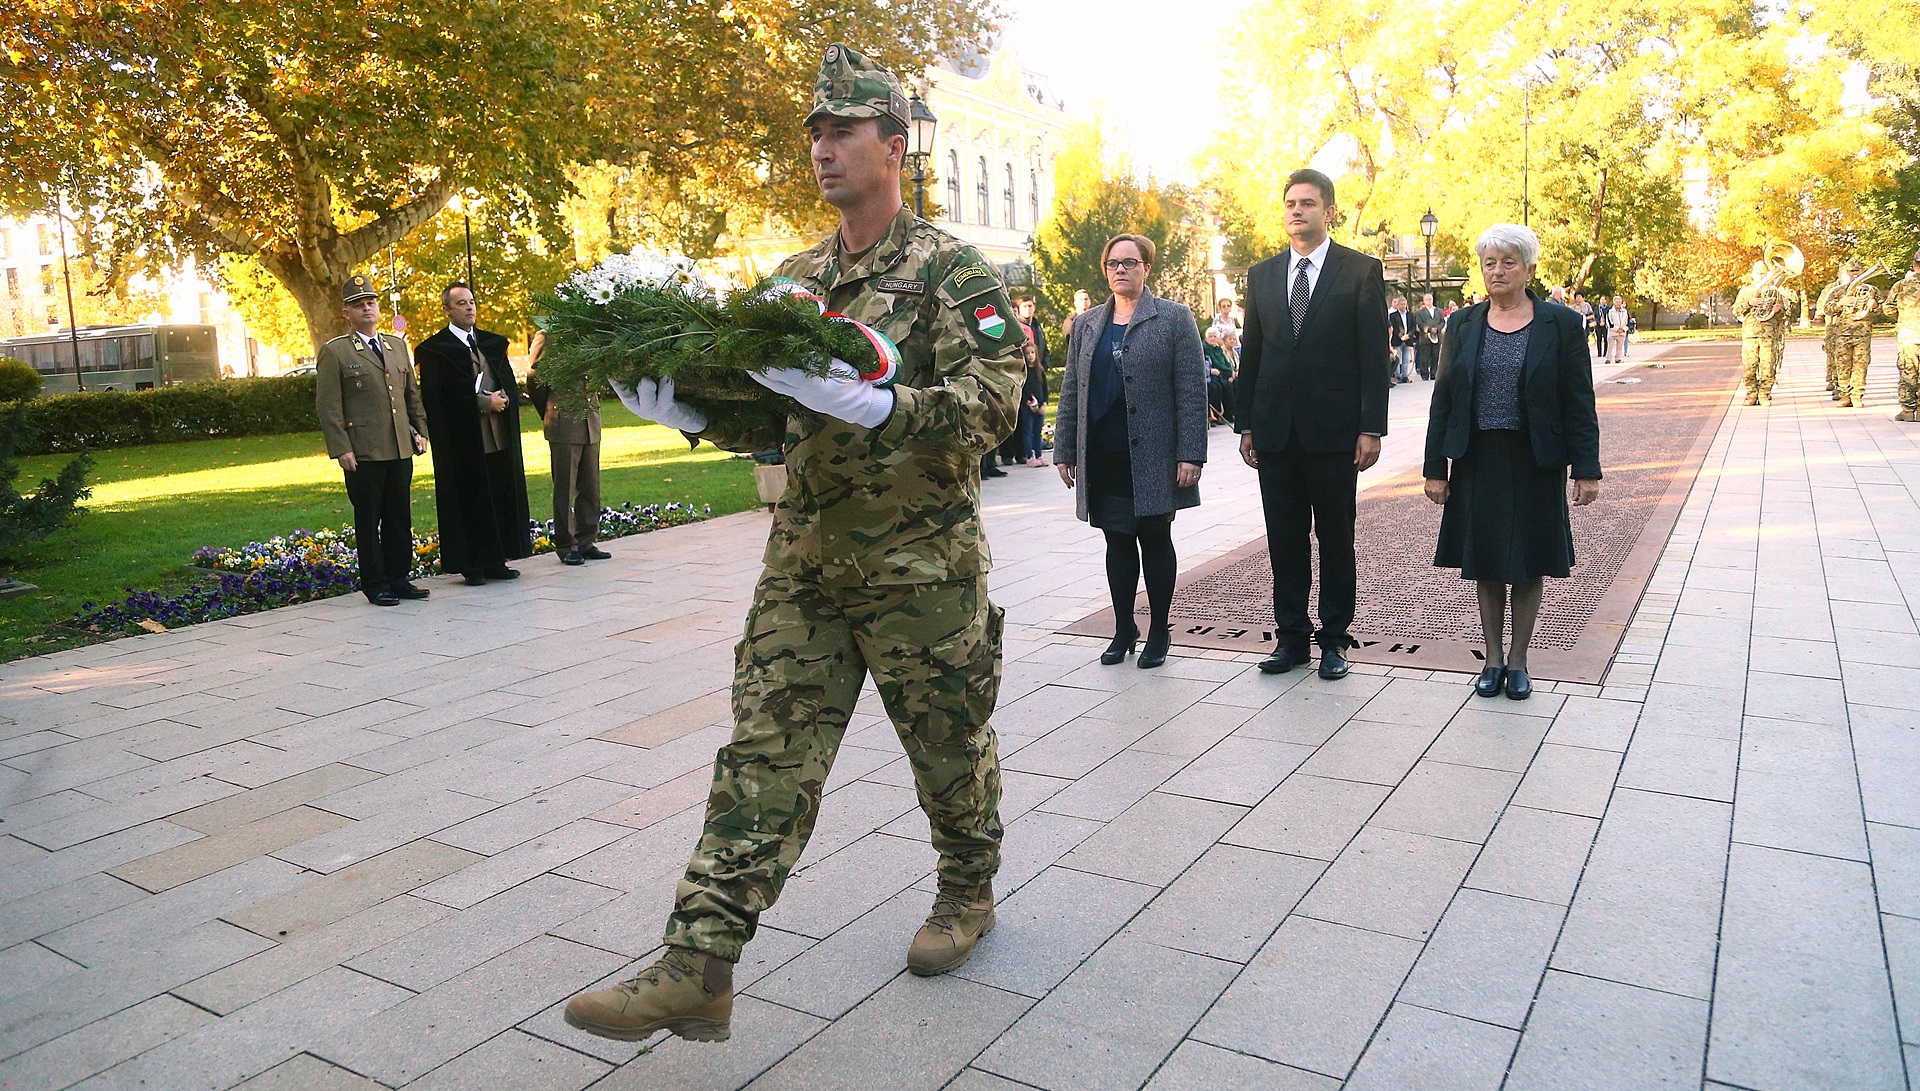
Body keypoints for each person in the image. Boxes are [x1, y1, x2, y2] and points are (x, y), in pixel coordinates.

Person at [563, 42, 1023, 1046]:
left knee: (949, 755)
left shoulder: (953, 271)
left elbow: (994, 405)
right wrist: (685, 405)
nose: (821, 147)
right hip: (807, 567)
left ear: (894, 146)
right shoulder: (794, 279)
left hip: (923, 572)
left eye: (842, 129)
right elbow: (768, 416)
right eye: (814, 130)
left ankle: (966, 888)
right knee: (765, 757)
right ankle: (701, 960)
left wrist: (879, 402)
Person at [1423, 224, 1601, 701]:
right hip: (1477, 457)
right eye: (1489, 262)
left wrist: (1587, 468)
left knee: (1527, 562)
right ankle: (1493, 658)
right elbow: (1444, 398)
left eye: (1508, 262)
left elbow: (1578, 400)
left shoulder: (1560, 324)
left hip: (1535, 459)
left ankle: (1520, 660)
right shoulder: (1462, 324)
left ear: (1529, 269)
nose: (1497, 271)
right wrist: (1435, 468)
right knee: (1484, 560)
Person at [1234, 168, 1389, 680]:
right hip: (1276, 432)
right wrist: (1247, 424)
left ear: (1329, 211)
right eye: (1289, 204)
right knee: (1284, 538)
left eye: (1306, 203)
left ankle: (1334, 642)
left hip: (1335, 434)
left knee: (1336, 539)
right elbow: (1252, 354)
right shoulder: (1261, 275)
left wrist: (1372, 427)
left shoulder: (1360, 271)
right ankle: (1292, 638)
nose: (1296, 211)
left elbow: (1372, 357)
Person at [1053, 233, 1207, 670]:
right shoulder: (1086, 325)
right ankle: (1124, 628)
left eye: (1130, 262)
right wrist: (1065, 448)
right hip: (1104, 453)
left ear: (1146, 269)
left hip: (1155, 453)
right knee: (1116, 540)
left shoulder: (1174, 319)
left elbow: (1192, 391)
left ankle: (1160, 630)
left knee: (1155, 538)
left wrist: (1191, 454)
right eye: (1113, 263)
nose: (1121, 269)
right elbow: (1071, 392)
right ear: (1105, 270)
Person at [314, 275, 429, 607]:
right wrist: (341, 448)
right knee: (368, 518)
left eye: (370, 302)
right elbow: (329, 405)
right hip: (363, 450)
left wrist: (420, 431)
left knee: (399, 515)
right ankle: (376, 583)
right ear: (346, 313)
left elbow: (411, 395)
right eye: (358, 304)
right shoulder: (336, 351)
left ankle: (398, 577)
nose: (366, 308)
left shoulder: (396, 346)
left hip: (398, 446)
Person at [416, 283, 532, 585]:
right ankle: (473, 564)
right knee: (470, 497)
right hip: (463, 441)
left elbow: (504, 379)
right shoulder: (435, 351)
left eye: (471, 302)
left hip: (497, 436)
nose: (469, 308)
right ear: (447, 310)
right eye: (461, 303)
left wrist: (505, 397)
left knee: (497, 493)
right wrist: (483, 402)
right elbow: (438, 399)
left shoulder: (490, 344)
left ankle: (498, 559)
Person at [526, 330, 609, 564]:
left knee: (591, 485)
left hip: (590, 421)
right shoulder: (548, 335)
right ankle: (566, 545)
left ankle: (586, 541)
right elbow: (535, 379)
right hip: (563, 422)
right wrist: (551, 410)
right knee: (565, 487)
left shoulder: (590, 329)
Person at [1733, 262, 1796, 406]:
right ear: (1752, 275)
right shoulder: (1745, 291)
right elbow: (1736, 310)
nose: (1760, 276)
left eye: (1763, 273)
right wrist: (1749, 303)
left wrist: (1778, 310)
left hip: (1769, 335)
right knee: (1749, 367)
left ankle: (1764, 394)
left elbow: (1785, 317)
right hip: (1750, 335)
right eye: (1758, 273)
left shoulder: (1775, 292)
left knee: (1768, 366)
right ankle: (1751, 394)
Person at [1831, 257, 1881, 409]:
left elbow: (1885, 310)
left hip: (1862, 334)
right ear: (1847, 272)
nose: (1855, 274)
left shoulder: (1872, 290)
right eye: (1851, 271)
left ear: (1862, 271)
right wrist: (1840, 303)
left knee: (1861, 365)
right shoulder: (1838, 291)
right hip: (1842, 334)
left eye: (1857, 271)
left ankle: (1857, 395)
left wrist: (1875, 306)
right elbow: (1827, 308)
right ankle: (1845, 395)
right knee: (1842, 365)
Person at [1886, 248, 1920, 422]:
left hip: (1908, 335)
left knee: (1908, 371)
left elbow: (1888, 308)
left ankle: (1907, 411)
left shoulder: (1901, 285)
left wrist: (1903, 312)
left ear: (1914, 265)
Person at [1017, 318, 1049, 465]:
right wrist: (1029, 403)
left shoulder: (1039, 371)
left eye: (1032, 353)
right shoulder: (1023, 372)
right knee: (1028, 431)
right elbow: (1022, 390)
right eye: (1027, 353)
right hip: (1028, 406)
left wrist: (1044, 404)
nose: (1030, 355)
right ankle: (1030, 457)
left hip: (1039, 406)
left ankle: (1039, 455)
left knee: (1037, 431)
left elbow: (1045, 388)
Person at [1816, 269, 1848, 397]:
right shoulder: (1831, 288)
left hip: (1850, 327)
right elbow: (1822, 305)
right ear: (1840, 275)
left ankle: (1841, 384)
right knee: (1832, 354)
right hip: (1833, 326)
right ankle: (1833, 380)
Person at [1204, 327, 1236, 426]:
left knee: (1235, 383)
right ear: (1206, 338)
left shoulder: (1217, 348)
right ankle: (1215, 416)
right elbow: (1216, 364)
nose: (1213, 338)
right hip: (1211, 375)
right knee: (1218, 386)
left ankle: (1231, 412)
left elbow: (1225, 362)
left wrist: (1231, 372)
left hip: (1222, 373)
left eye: (1215, 336)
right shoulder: (1205, 348)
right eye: (1210, 336)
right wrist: (1229, 372)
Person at [1415, 292, 1443, 380]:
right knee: (1424, 357)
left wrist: (1437, 329)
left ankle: (1434, 373)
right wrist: (1429, 329)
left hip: (1437, 336)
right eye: (1427, 299)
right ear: (1424, 301)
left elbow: (1442, 322)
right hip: (1425, 337)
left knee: (1436, 356)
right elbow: (1419, 323)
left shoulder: (1439, 311)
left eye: (1430, 299)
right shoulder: (1420, 312)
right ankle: (1425, 374)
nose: (1429, 301)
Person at [1388, 295, 1415, 383]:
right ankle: (1398, 376)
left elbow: (1413, 326)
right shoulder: (1393, 315)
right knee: (1398, 358)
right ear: (1398, 305)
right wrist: (1401, 336)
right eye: (1401, 304)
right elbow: (1394, 328)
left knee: (1406, 359)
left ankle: (1404, 376)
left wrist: (1408, 335)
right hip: (1397, 340)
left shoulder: (1410, 315)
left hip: (1408, 340)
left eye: (1404, 304)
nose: (1403, 306)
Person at [1605, 296, 1629, 364]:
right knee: (1610, 346)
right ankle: (1608, 359)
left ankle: (1618, 358)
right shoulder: (1610, 311)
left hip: (1622, 332)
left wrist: (1623, 329)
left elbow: (1628, 321)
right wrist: (1616, 329)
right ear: (1614, 302)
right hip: (1613, 332)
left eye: (1619, 302)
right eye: (1617, 302)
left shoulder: (1625, 311)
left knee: (1620, 346)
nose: (1618, 303)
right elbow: (1609, 322)